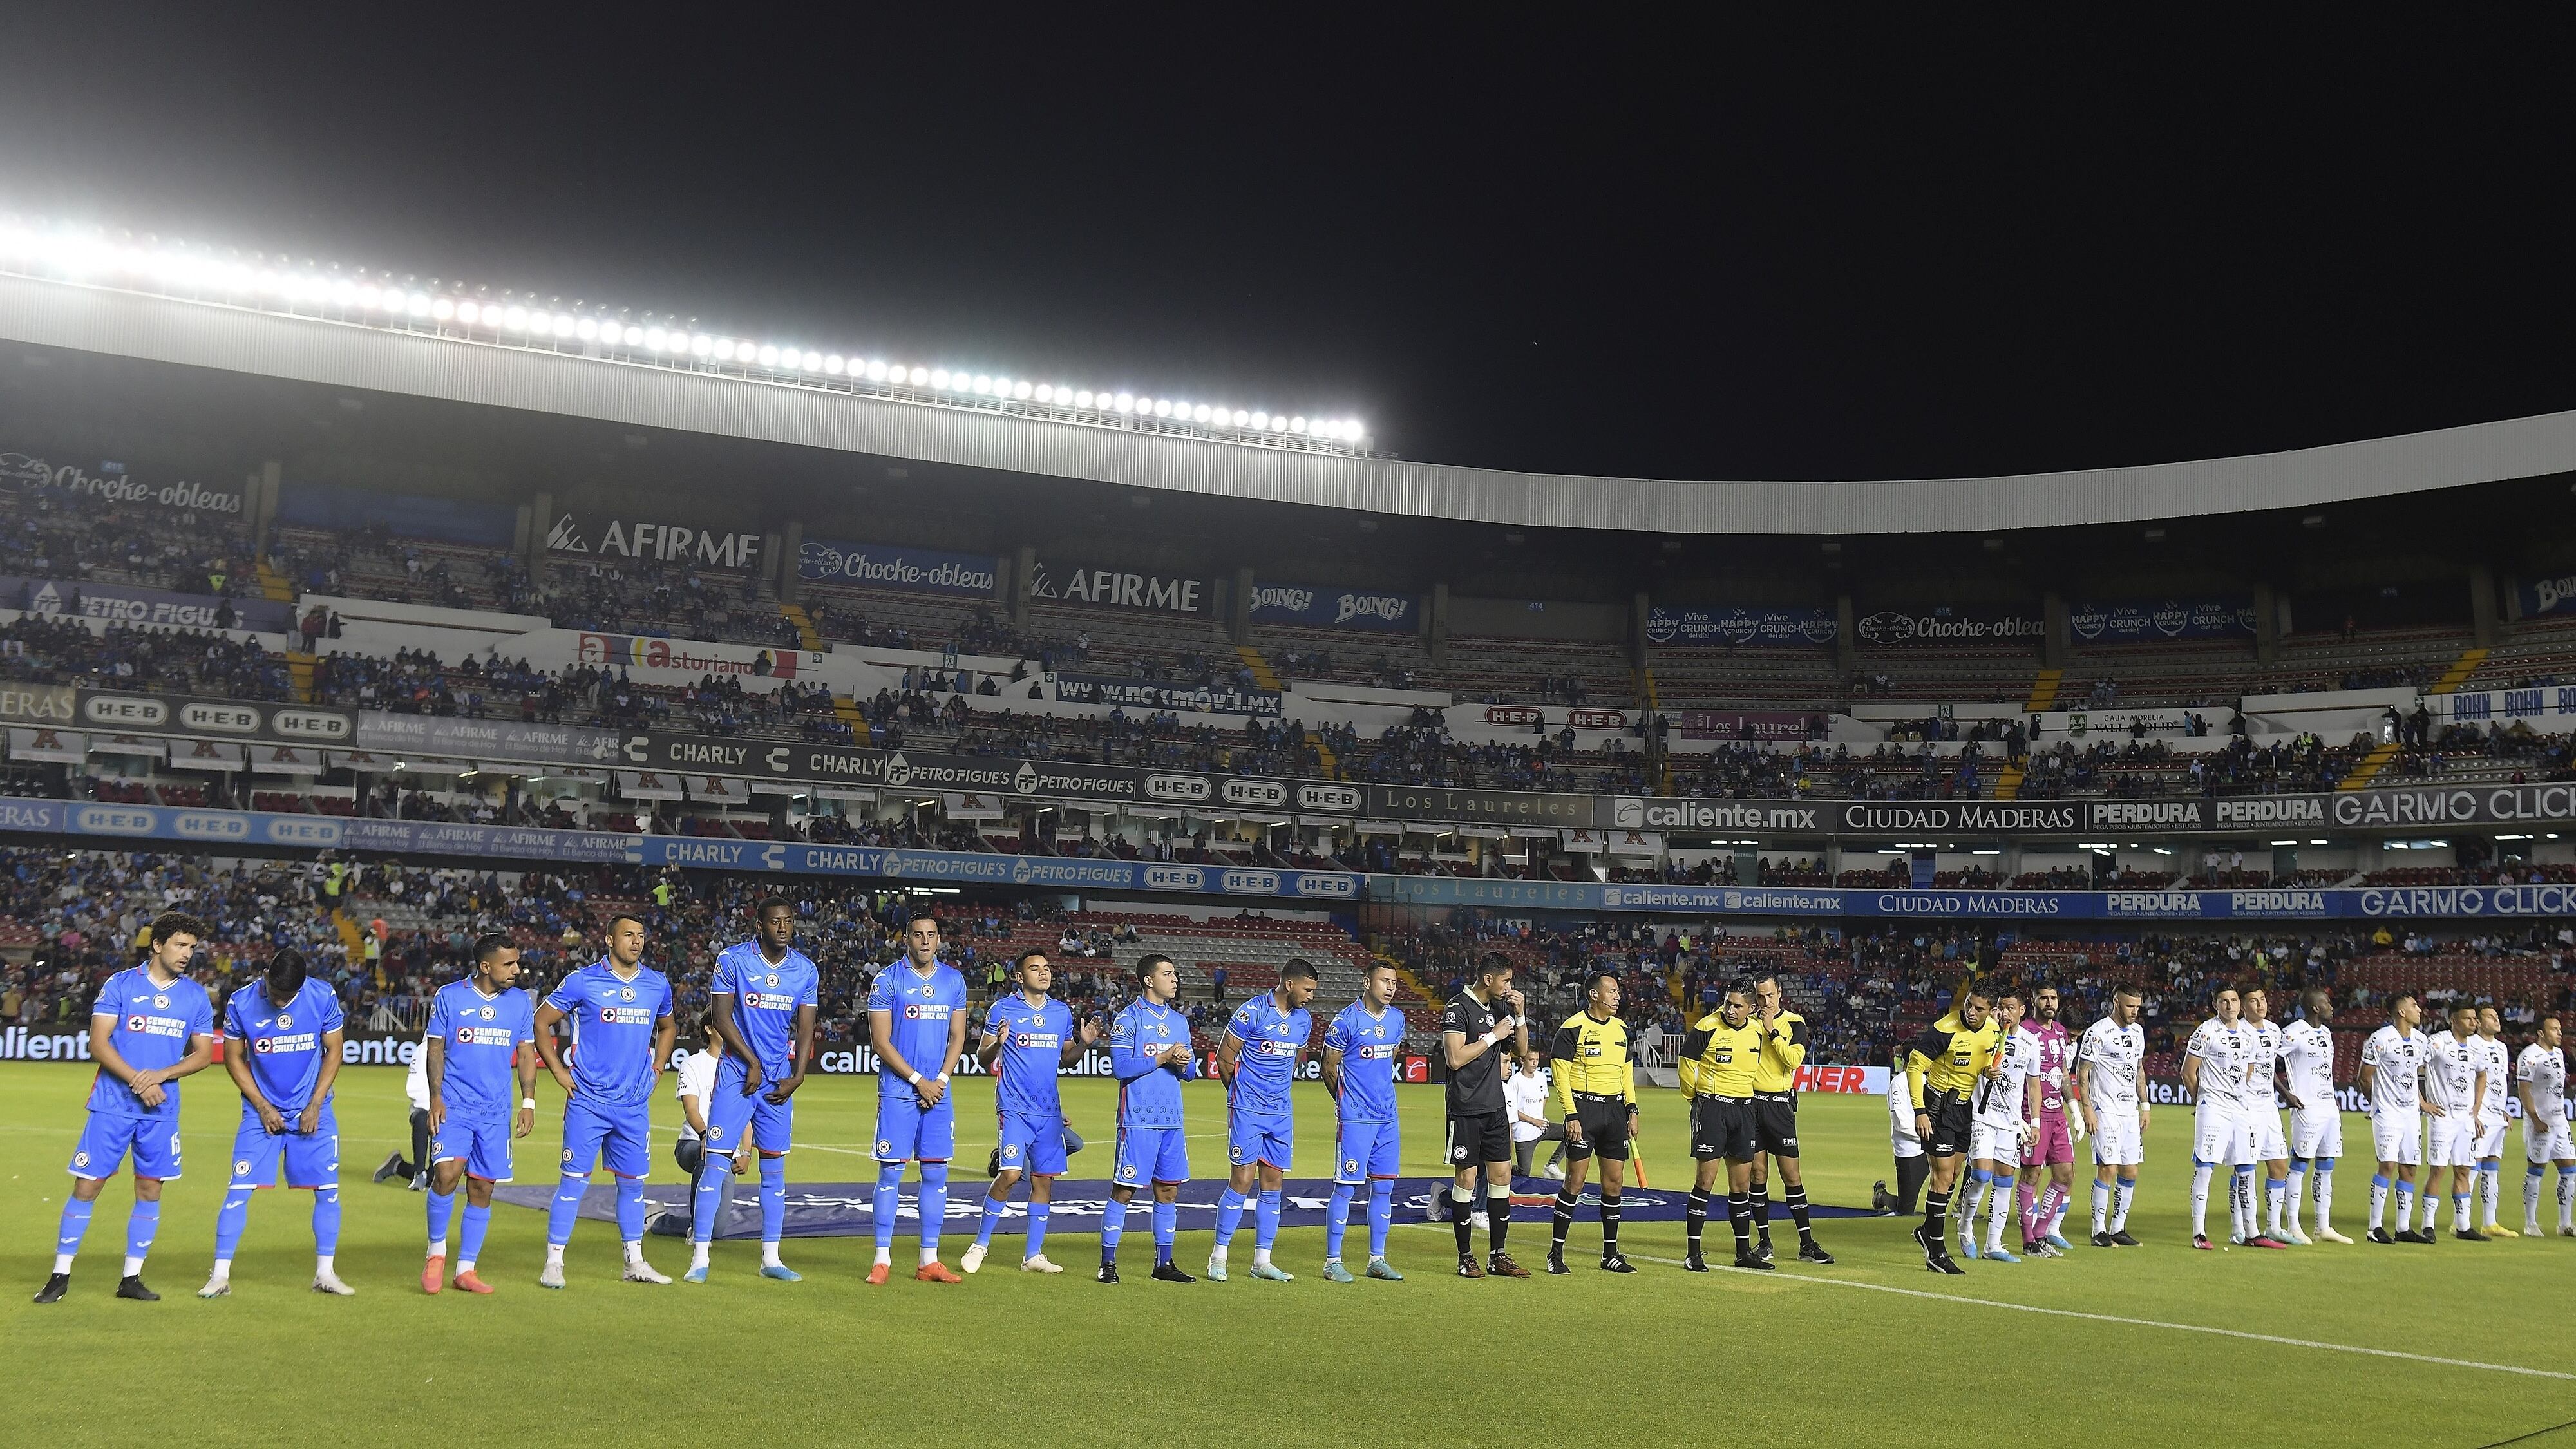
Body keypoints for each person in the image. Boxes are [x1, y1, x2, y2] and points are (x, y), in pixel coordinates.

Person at [38, 911, 214, 1304]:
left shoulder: (196, 996)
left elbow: (203, 1055)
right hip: (113, 1105)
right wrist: (140, 1080)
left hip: (161, 1110)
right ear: (157, 945)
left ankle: (131, 1278)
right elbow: (98, 1044)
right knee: (88, 1185)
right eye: (180, 945)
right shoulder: (120, 985)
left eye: (192, 947)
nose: (187, 954)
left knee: (150, 1189)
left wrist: (162, 1075)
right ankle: (60, 1274)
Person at [533, 913, 677, 1288]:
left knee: (633, 1186)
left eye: (641, 935)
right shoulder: (583, 981)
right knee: (573, 1184)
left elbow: (668, 1026)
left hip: (633, 1105)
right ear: (610, 941)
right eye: (628, 935)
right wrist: (559, 1072)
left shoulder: (656, 984)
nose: (636, 941)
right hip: (588, 1101)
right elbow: (541, 1021)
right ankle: (554, 1264)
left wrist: (658, 1069)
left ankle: (635, 1263)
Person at [201, 948, 350, 1298]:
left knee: (328, 1192)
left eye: (289, 997)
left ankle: (325, 1274)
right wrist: (262, 1106)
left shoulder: (322, 995)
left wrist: (315, 1103)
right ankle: (219, 1276)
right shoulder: (240, 1003)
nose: (280, 1002)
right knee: (238, 1190)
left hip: (313, 1111)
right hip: (260, 1113)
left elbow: (335, 1051)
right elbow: (233, 1058)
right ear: (265, 974)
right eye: (275, 994)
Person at [689, 896, 819, 1283]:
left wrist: (799, 1074)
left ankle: (771, 1258)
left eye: (790, 921)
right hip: (736, 1076)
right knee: (715, 1164)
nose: (784, 927)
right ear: (759, 925)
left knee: (774, 1170)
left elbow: (807, 1026)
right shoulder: (733, 960)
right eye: (776, 921)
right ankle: (699, 1257)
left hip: (777, 1080)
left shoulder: (805, 970)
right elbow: (720, 1017)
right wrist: (752, 1060)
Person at [963, 947, 1097, 1276]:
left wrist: (1083, 1043)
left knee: (1043, 1182)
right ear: (1019, 977)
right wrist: (998, 1044)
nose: (1044, 973)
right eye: (1035, 968)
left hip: (1048, 1113)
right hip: (1014, 1108)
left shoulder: (1061, 1012)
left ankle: (1033, 1255)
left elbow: (1067, 1058)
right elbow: (983, 1055)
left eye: (1047, 968)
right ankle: (980, 1244)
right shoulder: (1003, 1009)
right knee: (1009, 1175)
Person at [421, 933, 538, 1294]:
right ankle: (436, 1253)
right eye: (510, 964)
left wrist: (528, 1102)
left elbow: (526, 1053)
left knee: (482, 1187)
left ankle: (466, 1270)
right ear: (486, 966)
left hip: (494, 1111)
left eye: (517, 963)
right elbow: (436, 1048)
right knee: (446, 1175)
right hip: (454, 1105)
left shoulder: (520, 1003)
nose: (517, 970)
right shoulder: (450, 996)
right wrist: (436, 1098)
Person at [866, 913, 969, 1284]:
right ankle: (882, 1260)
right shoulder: (887, 980)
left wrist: (939, 1080)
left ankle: (929, 1260)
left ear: (939, 938)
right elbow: (881, 1043)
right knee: (891, 1172)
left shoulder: (953, 980)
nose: (925, 941)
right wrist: (918, 1081)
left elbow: (957, 1036)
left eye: (931, 935)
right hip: (899, 1091)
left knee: (936, 1174)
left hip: (939, 1092)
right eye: (917, 935)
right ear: (906, 938)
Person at [1209, 958, 1318, 1282]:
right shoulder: (1253, 1011)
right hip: (1248, 1111)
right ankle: (1218, 1257)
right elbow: (1224, 1059)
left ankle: (1262, 1261)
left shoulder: (1304, 1022)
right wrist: (1242, 1098)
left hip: (1281, 1113)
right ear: (1289, 984)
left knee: (1273, 1184)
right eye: (1308, 989)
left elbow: (1294, 1062)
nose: (1311, 996)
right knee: (1241, 1181)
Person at [1103, 952, 1197, 1285]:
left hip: (1171, 1120)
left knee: (1168, 1191)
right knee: (1125, 1190)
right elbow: (1120, 1069)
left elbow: (1191, 1074)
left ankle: (1164, 1263)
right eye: (1167, 974)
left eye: (1175, 974)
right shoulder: (1128, 1020)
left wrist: (1182, 1062)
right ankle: (1108, 1264)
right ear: (1148, 980)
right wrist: (1163, 1057)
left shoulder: (1180, 1021)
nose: (1174, 979)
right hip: (1138, 1119)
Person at [1439, 952, 1530, 1278]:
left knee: (1502, 1177)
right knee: (1466, 1179)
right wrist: (1493, 1036)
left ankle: (1498, 1255)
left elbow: (1520, 1051)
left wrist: (1519, 1017)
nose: (1510, 987)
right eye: (1506, 980)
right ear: (1488, 979)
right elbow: (1454, 1058)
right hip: (1465, 1107)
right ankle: (1466, 1257)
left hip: (1494, 1107)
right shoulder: (1458, 1008)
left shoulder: (1502, 1007)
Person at [1544, 969, 1640, 1275]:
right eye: (1612, 992)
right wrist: (1571, 1115)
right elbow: (1560, 1076)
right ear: (1594, 995)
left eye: (1618, 992)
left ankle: (1609, 1254)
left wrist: (1632, 1108)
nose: (1618, 996)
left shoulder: (1622, 1029)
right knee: (1575, 1181)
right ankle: (1555, 1253)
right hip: (1584, 1110)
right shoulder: (1572, 1028)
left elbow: (1626, 1073)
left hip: (1614, 1113)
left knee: (1614, 1184)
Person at [1904, 973, 2002, 1274]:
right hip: (1937, 1108)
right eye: (1969, 1005)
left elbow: (1981, 1061)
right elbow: (1914, 1066)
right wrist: (1919, 1111)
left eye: (1979, 1009)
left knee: (1955, 1173)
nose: (1971, 1012)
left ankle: (1925, 1230)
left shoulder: (1995, 1032)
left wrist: (1988, 1072)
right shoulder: (1944, 1030)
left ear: (1992, 1010)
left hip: (1963, 1110)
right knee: (1943, 1177)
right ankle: (1936, 1249)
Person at [1320, 960, 1407, 1283]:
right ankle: (1332, 1262)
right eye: (1384, 981)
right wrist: (1345, 1103)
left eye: (1394, 982)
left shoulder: (1397, 1019)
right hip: (1356, 1118)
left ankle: (1377, 1260)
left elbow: (1392, 1057)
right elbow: (1328, 1067)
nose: (1390, 987)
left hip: (1388, 1117)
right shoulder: (1346, 1021)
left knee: (1384, 1189)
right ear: (1366, 983)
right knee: (1345, 1189)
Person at [1677, 980, 1767, 1271]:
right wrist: (1696, 1099)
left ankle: (1743, 1252)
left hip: (1744, 1110)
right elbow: (1686, 1064)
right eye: (1728, 1003)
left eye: (1737, 1005)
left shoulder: (1757, 1031)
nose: (1730, 1009)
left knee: (1741, 1185)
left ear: (1751, 1008)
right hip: (1712, 1108)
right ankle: (1693, 1253)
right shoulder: (1707, 1026)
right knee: (1705, 1181)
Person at [1747, 972, 1831, 1264]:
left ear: (1780, 993)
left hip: (1779, 1106)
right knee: (1757, 1175)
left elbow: (1793, 1060)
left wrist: (1771, 1030)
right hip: (1751, 1105)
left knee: (1791, 1176)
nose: (1766, 1002)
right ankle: (1764, 1242)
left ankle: (1806, 1243)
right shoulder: (1747, 1021)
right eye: (1760, 997)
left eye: (1770, 995)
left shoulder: (1795, 1023)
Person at [2181, 984, 2268, 1250]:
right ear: (2215, 1006)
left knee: (2247, 1170)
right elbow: (2188, 1072)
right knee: (2205, 1169)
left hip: (2240, 1109)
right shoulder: (2206, 1032)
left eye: (2233, 1000)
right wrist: (2204, 1100)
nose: (2229, 1006)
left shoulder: (2250, 1035)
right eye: (2223, 1001)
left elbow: (2248, 1069)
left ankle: (2252, 1233)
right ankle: (2199, 1233)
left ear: (2240, 1004)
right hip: (2214, 1108)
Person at [659, 1010, 748, 1242]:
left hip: (728, 1152)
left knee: (716, 1231)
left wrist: (747, 1151)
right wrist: (705, 1135)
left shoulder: (740, 1066)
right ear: (709, 1029)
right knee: (707, 1154)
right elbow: (691, 1110)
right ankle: (695, 1232)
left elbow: (745, 1114)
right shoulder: (693, 1064)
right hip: (693, 1143)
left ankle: (662, 1219)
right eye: (723, 1024)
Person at [1960, 985, 2033, 1264]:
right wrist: (1982, 1070)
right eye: (2000, 1007)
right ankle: (1965, 1227)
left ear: (2021, 1011)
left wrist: (2032, 1121)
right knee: (1981, 1175)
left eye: (2009, 1007)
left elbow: (2033, 1083)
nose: (2003, 1012)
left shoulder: (2029, 1042)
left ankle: (1994, 1244)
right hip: (1982, 1115)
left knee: (2004, 1182)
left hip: (2010, 1121)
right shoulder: (1985, 1032)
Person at [2078, 985, 2148, 1247]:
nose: (2135, 1011)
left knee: (2130, 1171)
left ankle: (2118, 1227)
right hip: (2104, 1111)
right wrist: (2087, 1109)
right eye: (2131, 1006)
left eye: (2138, 1007)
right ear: (2116, 1003)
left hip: (2130, 1112)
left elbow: (2139, 1069)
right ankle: (2098, 1230)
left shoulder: (2139, 1032)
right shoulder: (2098, 1032)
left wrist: (2146, 1106)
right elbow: (2083, 1072)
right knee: (2107, 1168)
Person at [2359, 991, 2431, 1245]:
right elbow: (2364, 1077)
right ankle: (2374, 1227)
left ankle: (2403, 1227)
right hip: (2388, 1114)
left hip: (2411, 1115)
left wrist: (2421, 1102)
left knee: (2409, 1168)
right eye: (2414, 1006)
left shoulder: (2421, 1041)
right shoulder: (2380, 1039)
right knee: (2387, 1166)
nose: (2419, 1010)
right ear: (2402, 1012)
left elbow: (2413, 1075)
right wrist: (2377, 1104)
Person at [2014, 983, 2080, 1255]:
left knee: (2065, 1174)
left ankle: (2042, 1233)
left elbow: (2063, 1073)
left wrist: (2074, 1107)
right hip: (2033, 1115)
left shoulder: (2062, 1033)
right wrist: (2019, 1116)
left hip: (2058, 1116)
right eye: (2043, 998)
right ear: (2034, 1000)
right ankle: (2029, 1240)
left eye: (2053, 998)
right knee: (2032, 1175)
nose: (2049, 1002)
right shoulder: (2025, 1031)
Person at [2280, 986, 2349, 1243]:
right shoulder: (2294, 1032)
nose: (2332, 1006)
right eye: (2328, 1003)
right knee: (2300, 1165)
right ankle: (2294, 1225)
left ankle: (2323, 1226)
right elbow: (2265, 1060)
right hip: (2306, 1109)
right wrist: (2287, 1094)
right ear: (2316, 1007)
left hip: (2329, 1108)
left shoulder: (2327, 1033)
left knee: (2327, 1166)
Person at [2421, 1002, 2490, 1242]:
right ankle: (2427, 1224)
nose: (2473, 1023)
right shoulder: (2439, 1043)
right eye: (2467, 1019)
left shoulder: (2476, 1048)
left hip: (2466, 1119)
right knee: (2438, 1170)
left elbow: (2482, 1075)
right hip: (2443, 1117)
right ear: (2453, 1020)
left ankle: (2463, 1226)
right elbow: (2413, 1067)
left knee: (2463, 1171)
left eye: (2474, 1018)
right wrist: (2423, 1102)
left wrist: (2477, 1107)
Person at [2240, 987, 2296, 1245]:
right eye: (2253, 1000)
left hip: (2269, 1106)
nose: (2260, 1004)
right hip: (2247, 1106)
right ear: (2242, 1006)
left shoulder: (2274, 1031)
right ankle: (2239, 1227)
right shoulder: (2239, 1032)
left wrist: (2285, 1093)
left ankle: (2273, 1227)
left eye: (2262, 999)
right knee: (2245, 1169)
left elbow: (2270, 1068)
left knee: (2279, 1166)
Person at [2515, 1014, 2574, 1236]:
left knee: (2569, 1171)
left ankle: (2565, 1224)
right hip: (2539, 1123)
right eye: (2554, 1029)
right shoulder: (2530, 1056)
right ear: (2541, 1033)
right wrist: (2535, 1118)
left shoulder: (2558, 1053)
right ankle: (2531, 1224)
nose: (2559, 1033)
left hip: (2559, 1121)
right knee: (2536, 1171)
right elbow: (2523, 1089)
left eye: (2559, 1029)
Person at [2474, 1006, 2517, 1236]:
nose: (2496, 1019)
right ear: (2479, 1023)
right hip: (2480, 1115)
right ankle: (2459, 1221)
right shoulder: (2472, 1045)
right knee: (2471, 1168)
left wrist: (2504, 1109)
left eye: (2497, 1016)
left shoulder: (2502, 1047)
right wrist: (2474, 1113)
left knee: (2492, 1169)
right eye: (2490, 1017)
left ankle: (2490, 1222)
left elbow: (2501, 1079)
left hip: (2497, 1114)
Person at [1875, 1040, 1927, 1217]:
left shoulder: (1925, 1079)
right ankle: (1882, 1196)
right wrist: (1926, 1137)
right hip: (1909, 1150)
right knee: (1906, 1208)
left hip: (1927, 1147)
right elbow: (1900, 1122)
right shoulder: (1899, 1083)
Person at [1506, 1049, 1560, 1180]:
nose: (1535, 1063)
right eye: (1531, 1060)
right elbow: (1512, 1110)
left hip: (1542, 1127)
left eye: (1537, 1059)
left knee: (1571, 1134)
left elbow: (1545, 1096)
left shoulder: (1541, 1077)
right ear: (1522, 1061)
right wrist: (1534, 1121)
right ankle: (1501, 1168)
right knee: (1524, 1171)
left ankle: (1552, 1166)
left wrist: (1540, 1115)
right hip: (1523, 1133)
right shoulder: (1514, 1081)